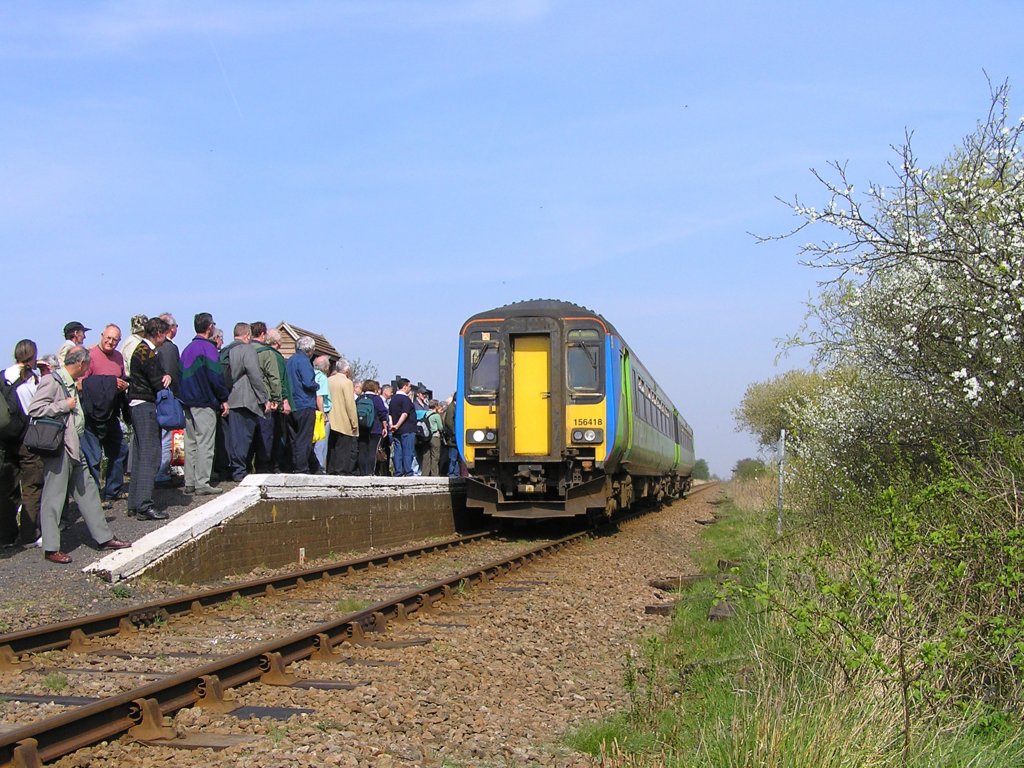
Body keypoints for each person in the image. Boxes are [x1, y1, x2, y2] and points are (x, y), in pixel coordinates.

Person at [27, 345, 131, 563]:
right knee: (53, 498)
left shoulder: (69, 383)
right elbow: (35, 409)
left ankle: (104, 537)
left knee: (88, 491)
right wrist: (64, 405)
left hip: (74, 446)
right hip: (60, 448)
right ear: (81, 364)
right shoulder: (52, 381)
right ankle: (51, 547)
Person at [179, 313, 230, 495]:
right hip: (204, 400)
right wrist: (223, 398)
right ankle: (202, 483)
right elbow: (215, 377)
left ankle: (189, 481)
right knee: (205, 443)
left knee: (190, 442)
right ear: (209, 327)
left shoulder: (187, 349)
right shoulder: (208, 349)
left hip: (187, 401)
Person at [127, 317, 172, 520]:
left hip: (135, 405)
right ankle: (145, 504)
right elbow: (158, 382)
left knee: (138, 454)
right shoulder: (148, 353)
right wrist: (167, 378)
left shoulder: (139, 349)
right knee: (150, 454)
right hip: (145, 405)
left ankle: (135, 502)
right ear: (159, 333)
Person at [80, 324, 130, 508]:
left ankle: (113, 489)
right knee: (93, 457)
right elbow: (81, 384)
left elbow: (122, 376)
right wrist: (108, 383)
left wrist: (122, 385)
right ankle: (93, 497)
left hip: (111, 411)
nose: (110, 342)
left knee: (120, 450)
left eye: (114, 340)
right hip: (92, 414)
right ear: (102, 336)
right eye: (108, 338)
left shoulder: (118, 357)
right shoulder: (90, 355)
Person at [0, 340, 43, 546]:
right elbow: (36, 409)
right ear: (32, 356)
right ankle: (29, 534)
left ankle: (6, 536)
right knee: (31, 486)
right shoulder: (30, 380)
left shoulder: (3, 375)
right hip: (27, 439)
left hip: (6, 438)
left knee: (8, 488)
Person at [224, 323, 268, 482]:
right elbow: (255, 375)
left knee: (235, 437)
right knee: (245, 437)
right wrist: (264, 398)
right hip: (246, 399)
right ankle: (241, 471)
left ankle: (234, 469)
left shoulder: (226, 350)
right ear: (248, 335)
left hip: (231, 398)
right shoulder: (247, 350)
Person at [250, 322, 283, 474]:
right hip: (265, 399)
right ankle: (263, 467)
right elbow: (274, 378)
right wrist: (277, 399)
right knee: (265, 436)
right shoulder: (267, 353)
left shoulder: (243, 350)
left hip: (246, 399)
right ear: (263, 334)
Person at [154, 313, 182, 488]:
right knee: (168, 436)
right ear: (171, 328)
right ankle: (162, 473)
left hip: (155, 396)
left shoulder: (155, 348)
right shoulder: (170, 348)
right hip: (168, 396)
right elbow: (174, 373)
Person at [285, 336, 318, 473]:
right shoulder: (304, 361)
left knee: (293, 438)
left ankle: (293, 465)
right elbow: (308, 383)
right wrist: (317, 385)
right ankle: (302, 468)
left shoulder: (290, 361)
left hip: (292, 404)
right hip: (304, 403)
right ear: (310, 350)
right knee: (304, 438)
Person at [327, 359, 358, 475]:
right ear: (347, 370)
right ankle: (341, 470)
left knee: (332, 446)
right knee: (344, 447)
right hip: (343, 418)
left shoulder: (329, 380)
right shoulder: (347, 383)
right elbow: (350, 404)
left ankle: (331, 469)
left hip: (330, 417)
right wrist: (354, 422)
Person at [388, 378, 417, 477]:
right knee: (407, 451)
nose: (410, 388)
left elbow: (390, 414)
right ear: (404, 387)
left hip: (396, 431)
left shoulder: (393, 399)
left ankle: (398, 471)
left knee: (398, 452)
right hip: (407, 429)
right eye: (409, 386)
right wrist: (397, 425)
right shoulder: (406, 399)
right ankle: (408, 471)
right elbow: (405, 414)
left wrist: (392, 425)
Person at [312, 355, 331, 474]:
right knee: (321, 442)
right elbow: (320, 397)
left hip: (310, 410)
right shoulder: (322, 378)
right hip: (320, 412)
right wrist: (323, 414)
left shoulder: (311, 374)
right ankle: (320, 467)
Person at [422, 399, 445, 477]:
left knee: (426, 456)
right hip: (435, 437)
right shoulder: (436, 415)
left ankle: (425, 474)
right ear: (436, 406)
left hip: (425, 437)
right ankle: (434, 474)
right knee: (435, 456)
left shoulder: (425, 414)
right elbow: (441, 427)